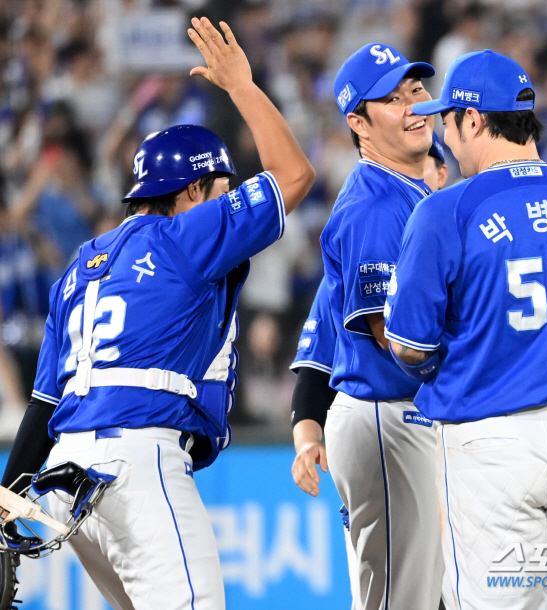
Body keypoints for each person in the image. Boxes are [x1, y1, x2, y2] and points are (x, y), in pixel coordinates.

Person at [0, 17, 314, 610]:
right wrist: (242, 86)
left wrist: (5, 496)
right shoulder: (186, 235)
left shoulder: (82, 265)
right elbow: (294, 176)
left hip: (69, 477)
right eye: (222, 186)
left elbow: (46, 402)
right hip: (136, 460)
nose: (229, 197)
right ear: (192, 191)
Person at [385, 50, 547, 610]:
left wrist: (494, 344)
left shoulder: (446, 210)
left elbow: (409, 346)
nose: (444, 138)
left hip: (489, 442)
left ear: (474, 119)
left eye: (446, 120)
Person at [297, 41, 446, 610]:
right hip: (388, 415)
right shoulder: (377, 206)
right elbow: (395, 337)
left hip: (408, 418)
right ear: (358, 122)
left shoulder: (413, 192)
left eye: (416, 91)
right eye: (391, 99)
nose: (414, 106)